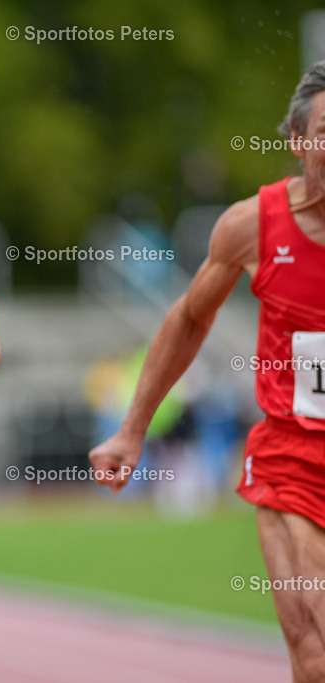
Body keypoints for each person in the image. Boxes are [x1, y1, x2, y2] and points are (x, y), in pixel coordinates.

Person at [89, 62, 325, 682]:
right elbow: (189, 318)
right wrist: (132, 429)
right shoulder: (254, 226)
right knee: (314, 642)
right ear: (299, 142)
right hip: (293, 460)